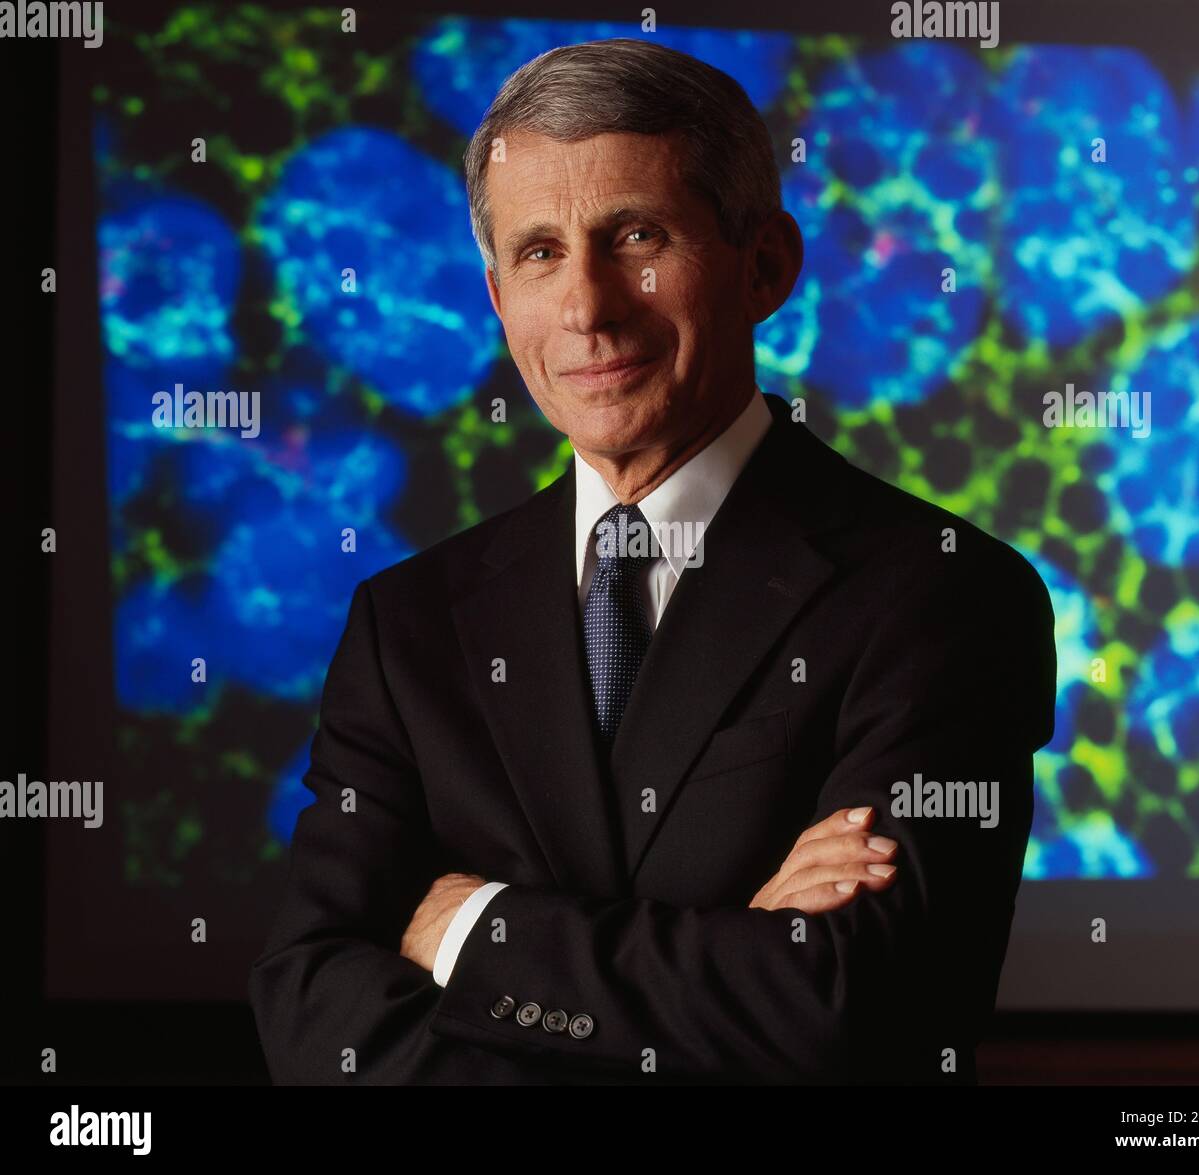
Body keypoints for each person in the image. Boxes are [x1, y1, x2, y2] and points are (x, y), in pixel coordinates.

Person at [249, 37, 1056, 1086]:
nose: (588, 307)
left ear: (764, 264)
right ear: (498, 299)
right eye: (540, 252)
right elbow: (313, 1007)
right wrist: (727, 966)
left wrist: (469, 926)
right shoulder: (408, 625)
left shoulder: (942, 595)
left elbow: (851, 1011)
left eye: (636, 235)